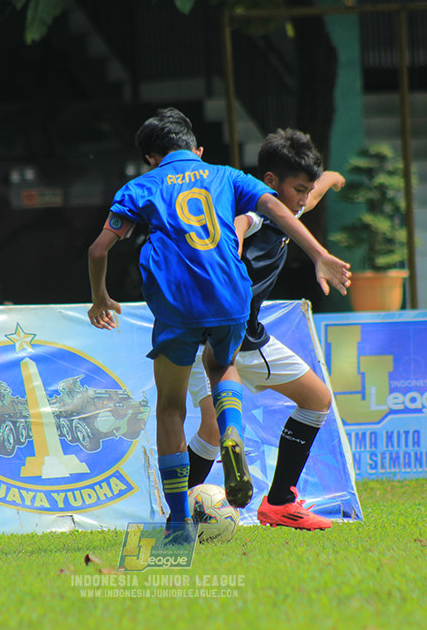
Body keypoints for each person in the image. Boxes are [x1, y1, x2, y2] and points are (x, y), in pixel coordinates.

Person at [87, 109, 350, 535]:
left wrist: (101, 296)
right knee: (236, 374)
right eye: (299, 189)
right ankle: (249, 456)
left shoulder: (141, 186)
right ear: (198, 150)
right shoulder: (229, 179)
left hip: (178, 307)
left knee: (173, 410)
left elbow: (99, 250)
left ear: (151, 158)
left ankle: (177, 516)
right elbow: (267, 215)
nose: (303, 196)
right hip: (232, 307)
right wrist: (319, 253)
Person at [184, 128, 344, 531]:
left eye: (307, 190)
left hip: (225, 333)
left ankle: (187, 510)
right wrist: (230, 241)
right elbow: (242, 220)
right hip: (226, 333)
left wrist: (331, 179)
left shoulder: (291, 205)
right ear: (271, 183)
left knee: (310, 401)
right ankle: (271, 503)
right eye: (298, 190)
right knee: (311, 401)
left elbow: (316, 191)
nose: (303, 199)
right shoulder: (257, 208)